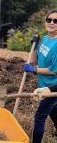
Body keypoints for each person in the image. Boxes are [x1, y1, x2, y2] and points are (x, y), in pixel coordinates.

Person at [23, 9, 57, 143]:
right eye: (49, 20)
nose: (52, 23)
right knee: (54, 113)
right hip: (43, 84)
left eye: (56, 21)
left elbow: (54, 70)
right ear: (45, 22)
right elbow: (35, 61)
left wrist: (34, 70)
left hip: (52, 86)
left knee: (39, 116)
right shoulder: (45, 39)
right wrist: (34, 45)